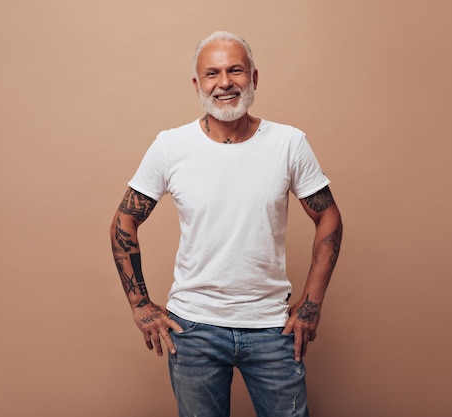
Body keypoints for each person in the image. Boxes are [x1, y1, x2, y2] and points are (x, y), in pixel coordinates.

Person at [110, 30, 343, 417]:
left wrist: (311, 305)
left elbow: (328, 216)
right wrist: (140, 304)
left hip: (271, 327)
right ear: (198, 84)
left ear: (253, 78)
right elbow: (124, 221)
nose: (225, 83)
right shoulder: (171, 146)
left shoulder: (288, 143)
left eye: (235, 70)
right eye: (212, 73)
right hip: (193, 329)